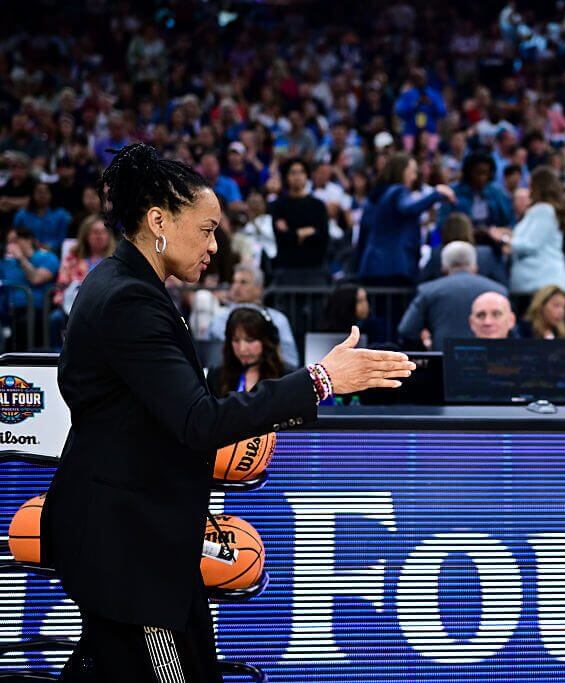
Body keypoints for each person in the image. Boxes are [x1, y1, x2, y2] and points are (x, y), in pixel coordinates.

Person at [41, 143, 415, 682]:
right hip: (129, 547)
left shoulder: (120, 284)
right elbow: (200, 422)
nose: (216, 245)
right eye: (208, 229)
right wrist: (323, 379)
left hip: (125, 536)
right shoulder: (129, 299)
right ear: (157, 221)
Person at [358, 152, 455, 286]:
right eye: (412, 172)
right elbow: (409, 209)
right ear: (402, 171)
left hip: (372, 266)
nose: (415, 177)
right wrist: (437, 194)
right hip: (394, 268)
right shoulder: (398, 191)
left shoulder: (376, 196)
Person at [398, 241, 508, 348]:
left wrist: (425, 348)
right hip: (489, 359)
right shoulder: (498, 291)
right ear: (475, 265)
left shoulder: (427, 290)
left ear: (444, 267)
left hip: (443, 359)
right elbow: (512, 330)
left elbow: (406, 329)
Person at [207, 263, 299, 366]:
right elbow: (210, 357)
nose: (236, 287)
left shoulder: (278, 320)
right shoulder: (219, 318)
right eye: (234, 282)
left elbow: (291, 361)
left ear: (259, 288)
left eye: (243, 282)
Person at [51, 215, 116, 345]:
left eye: (103, 232)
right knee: (55, 318)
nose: (99, 236)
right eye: (95, 232)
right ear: (86, 235)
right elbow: (61, 285)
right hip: (73, 306)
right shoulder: (72, 258)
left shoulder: (115, 259)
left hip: (106, 307)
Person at [509, 166, 565, 294]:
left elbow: (530, 244)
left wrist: (505, 241)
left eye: (531, 185)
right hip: (536, 283)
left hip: (542, 283)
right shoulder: (541, 210)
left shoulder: (544, 210)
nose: (529, 189)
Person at [269, 157, 330, 285]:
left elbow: (322, 238)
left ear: (307, 176)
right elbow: (281, 239)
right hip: (287, 271)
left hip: (314, 270)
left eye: (301, 172)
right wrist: (305, 232)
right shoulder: (278, 206)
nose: (297, 176)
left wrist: (292, 233)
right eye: (293, 172)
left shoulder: (318, 206)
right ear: (286, 177)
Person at [207, 307, 292, 398]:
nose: (242, 349)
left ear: (266, 341)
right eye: (236, 340)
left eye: (250, 340)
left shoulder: (286, 378)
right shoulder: (216, 376)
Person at [2, 226, 60, 350]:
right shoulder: (6, 262)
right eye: (9, 241)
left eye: (15, 240)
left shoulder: (47, 257)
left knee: (24, 321)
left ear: (29, 240)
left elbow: (36, 278)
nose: (12, 245)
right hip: (8, 310)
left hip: (36, 310)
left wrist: (21, 259)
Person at [435, 151, 514, 232]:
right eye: (477, 173)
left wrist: (500, 231)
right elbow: (442, 225)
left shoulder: (497, 193)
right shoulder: (453, 193)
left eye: (485, 173)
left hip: (493, 241)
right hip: (461, 239)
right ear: (468, 172)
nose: (481, 178)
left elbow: (510, 222)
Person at [13, 181, 71, 255]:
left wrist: (51, 246)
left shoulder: (61, 215)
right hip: (26, 253)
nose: (42, 195)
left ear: (51, 194)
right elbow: (15, 235)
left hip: (53, 254)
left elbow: (63, 238)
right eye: (39, 192)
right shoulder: (21, 215)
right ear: (33, 194)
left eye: (46, 192)